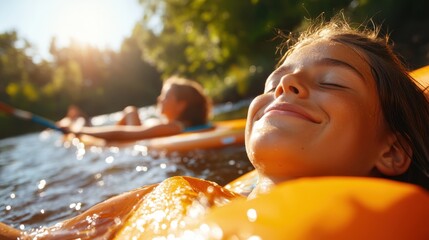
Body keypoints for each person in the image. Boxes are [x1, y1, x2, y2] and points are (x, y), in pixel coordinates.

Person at [2, 14, 429, 239]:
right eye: (275, 81)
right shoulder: (175, 193)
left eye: (332, 81)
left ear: (392, 151)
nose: (287, 87)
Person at [59, 76, 212, 141]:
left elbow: (123, 134)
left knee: (130, 110)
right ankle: (79, 119)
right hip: (134, 127)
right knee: (131, 111)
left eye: (165, 95)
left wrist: (79, 131)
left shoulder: (174, 127)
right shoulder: (175, 125)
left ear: (181, 104)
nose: (159, 99)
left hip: (130, 133)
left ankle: (79, 121)